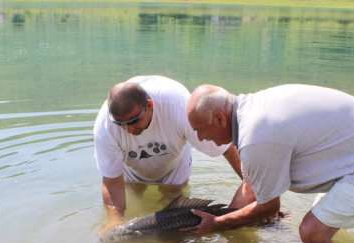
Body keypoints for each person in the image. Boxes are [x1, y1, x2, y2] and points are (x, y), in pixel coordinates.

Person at [184, 83, 354, 243]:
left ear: (220, 119)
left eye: (200, 130)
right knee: (319, 226)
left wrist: (218, 223)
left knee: (312, 232)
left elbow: (269, 207)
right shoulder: (250, 114)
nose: (200, 139)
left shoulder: (255, 138)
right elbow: (250, 187)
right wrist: (229, 223)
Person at [93, 76, 242, 227]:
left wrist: (254, 188)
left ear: (149, 106)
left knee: (172, 205)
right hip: (131, 168)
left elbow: (227, 148)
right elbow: (111, 182)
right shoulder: (106, 127)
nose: (129, 130)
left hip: (174, 163)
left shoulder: (180, 108)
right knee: (134, 200)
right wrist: (114, 222)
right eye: (121, 124)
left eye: (133, 121)